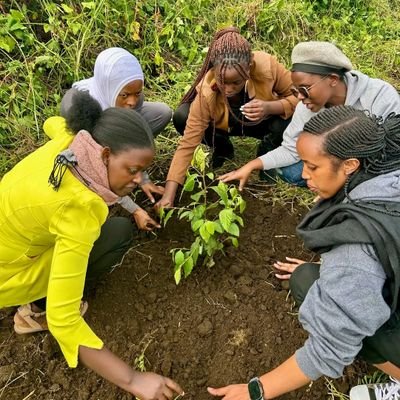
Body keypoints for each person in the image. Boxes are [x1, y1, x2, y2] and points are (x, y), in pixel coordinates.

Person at [208, 106, 400, 400]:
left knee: (307, 283)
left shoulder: (356, 242)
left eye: (312, 166)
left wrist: (255, 391)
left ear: (349, 165)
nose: (304, 175)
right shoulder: (388, 162)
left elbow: (330, 345)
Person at [0, 92, 183, 400]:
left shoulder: (72, 139)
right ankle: (33, 311)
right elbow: (65, 320)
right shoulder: (77, 210)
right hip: (9, 274)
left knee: (110, 228)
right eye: (133, 170)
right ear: (105, 154)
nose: (139, 180)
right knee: (115, 234)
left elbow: (52, 122)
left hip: (11, 241)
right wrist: (133, 379)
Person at [219, 41, 400, 189]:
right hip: (336, 162)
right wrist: (250, 166)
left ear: (332, 80)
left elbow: (392, 151)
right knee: (289, 172)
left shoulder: (378, 96)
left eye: (304, 90)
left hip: (378, 165)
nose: (299, 97)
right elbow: (291, 149)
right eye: (296, 91)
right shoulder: (307, 107)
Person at [155, 27, 298, 210]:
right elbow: (188, 144)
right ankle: (222, 148)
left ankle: (267, 153)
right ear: (214, 69)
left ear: (249, 67)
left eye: (236, 82)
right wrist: (169, 195)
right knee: (182, 116)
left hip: (262, 122)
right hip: (225, 125)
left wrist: (270, 107)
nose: (228, 89)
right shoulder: (207, 90)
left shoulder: (266, 66)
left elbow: (300, 98)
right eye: (223, 82)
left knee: (287, 120)